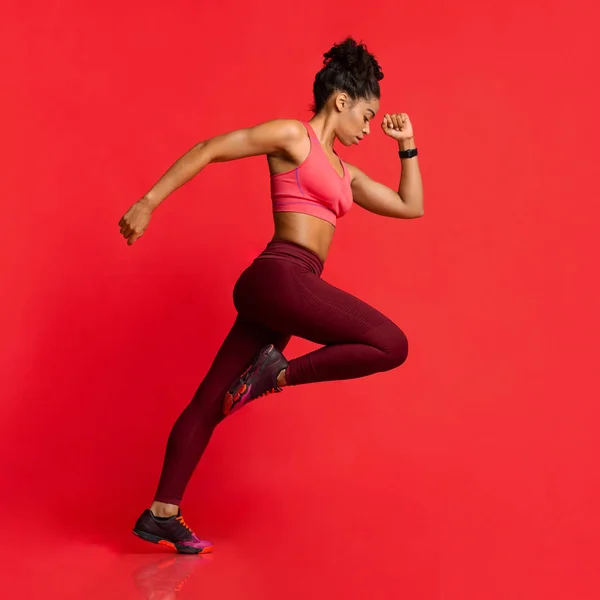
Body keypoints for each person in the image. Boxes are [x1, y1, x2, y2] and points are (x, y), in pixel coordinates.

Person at [120, 37, 424, 554]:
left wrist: (407, 145)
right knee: (391, 343)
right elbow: (210, 148)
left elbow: (408, 205)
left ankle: (161, 512)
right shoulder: (295, 136)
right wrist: (147, 203)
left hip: (285, 291)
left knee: (210, 402)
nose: (369, 129)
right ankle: (275, 374)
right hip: (279, 276)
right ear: (342, 101)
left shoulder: (347, 174)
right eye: (367, 117)